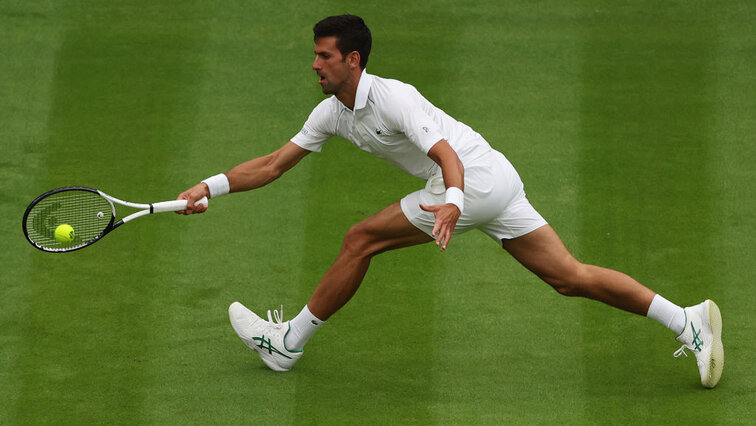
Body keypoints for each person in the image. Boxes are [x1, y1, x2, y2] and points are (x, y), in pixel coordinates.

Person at [177, 15, 723, 387]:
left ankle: (287, 344)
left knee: (358, 240)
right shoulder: (330, 114)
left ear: (353, 59)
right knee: (568, 276)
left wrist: (454, 203)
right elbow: (272, 165)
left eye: (324, 56)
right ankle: (688, 321)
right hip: (496, 179)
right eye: (315, 56)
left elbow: (445, 155)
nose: (315, 65)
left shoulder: (394, 98)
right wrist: (210, 186)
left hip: (471, 181)